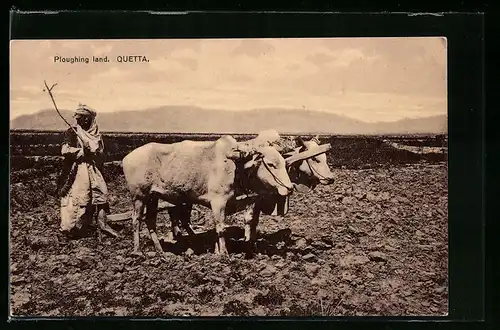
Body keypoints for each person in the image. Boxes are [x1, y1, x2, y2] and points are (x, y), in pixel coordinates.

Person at [57, 103, 120, 241]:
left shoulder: (96, 134)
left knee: (100, 195)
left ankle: (94, 226)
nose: (81, 121)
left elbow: (101, 153)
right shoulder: (72, 132)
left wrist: (94, 153)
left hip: (93, 169)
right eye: (79, 118)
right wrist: (82, 151)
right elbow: (64, 150)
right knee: (79, 198)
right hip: (78, 169)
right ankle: (69, 229)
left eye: (84, 118)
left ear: (89, 119)